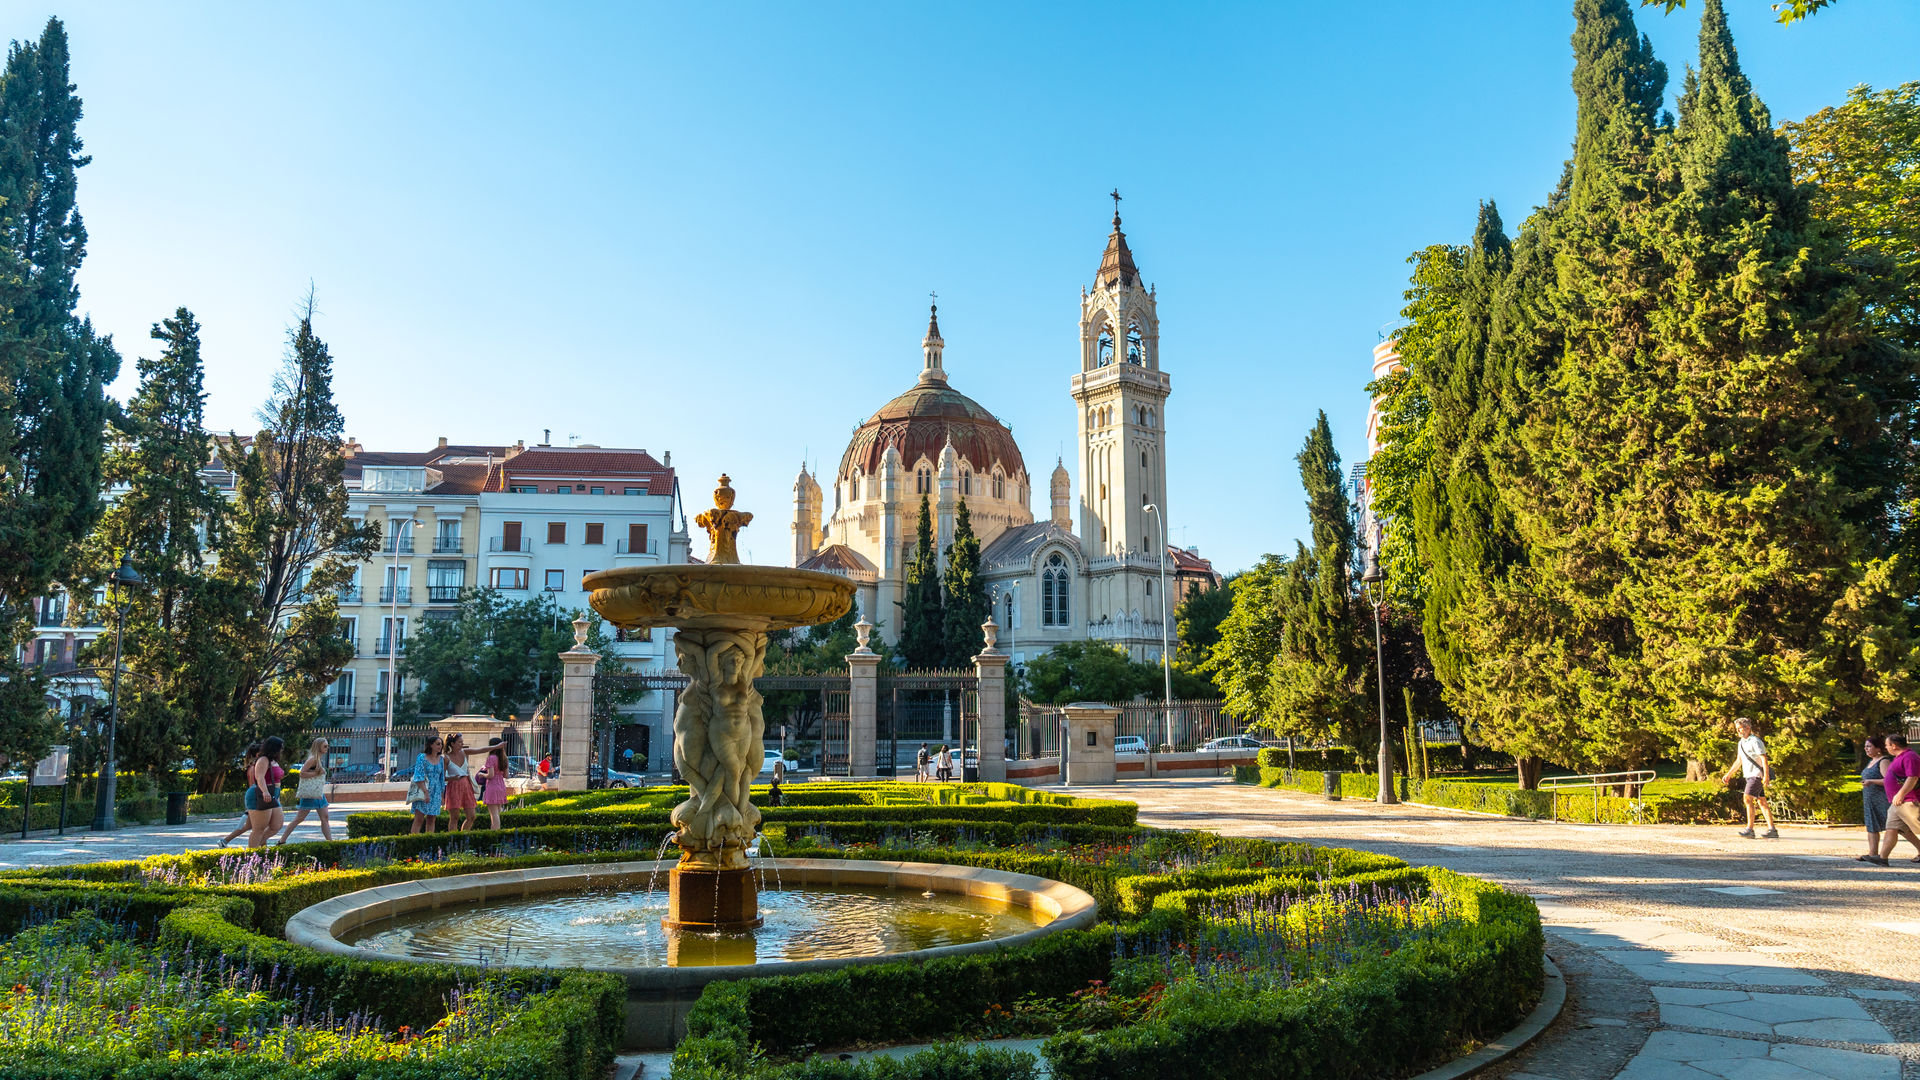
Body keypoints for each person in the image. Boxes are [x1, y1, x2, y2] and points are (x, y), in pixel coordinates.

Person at [1720, 717, 1778, 839]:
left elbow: (1763, 759)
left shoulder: (1755, 741)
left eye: (1740, 728)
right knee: (1761, 802)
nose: (1738, 731)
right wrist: (1729, 774)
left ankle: (1750, 829)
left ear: (1748, 728)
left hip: (1756, 775)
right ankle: (1772, 830)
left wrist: (1766, 775)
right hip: (1748, 775)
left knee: (1747, 799)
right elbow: (1739, 760)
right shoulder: (1741, 743)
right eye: (1737, 729)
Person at [277, 738, 334, 844]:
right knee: (299, 818)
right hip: (310, 794)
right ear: (318, 747)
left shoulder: (317, 758)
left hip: (317, 793)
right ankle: (282, 840)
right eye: (325, 746)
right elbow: (302, 773)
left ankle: (330, 842)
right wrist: (317, 773)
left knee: (325, 817)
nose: (327, 748)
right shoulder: (313, 759)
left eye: (327, 746)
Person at [1880, 733, 1920, 863]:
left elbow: (1913, 777)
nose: (1886, 747)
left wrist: (1901, 793)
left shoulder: (1910, 756)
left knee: (1916, 827)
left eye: (1887, 745)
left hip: (1909, 800)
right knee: (1895, 829)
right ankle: (1882, 858)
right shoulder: (1899, 757)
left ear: (1894, 745)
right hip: (1897, 802)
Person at [217, 741, 265, 848]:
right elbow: (253, 785)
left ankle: (224, 841)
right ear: (257, 754)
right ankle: (262, 847)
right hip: (255, 798)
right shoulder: (254, 768)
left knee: (249, 826)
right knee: (261, 826)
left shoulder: (253, 766)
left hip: (254, 797)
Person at [244, 736, 287, 849]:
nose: (281, 750)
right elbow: (259, 777)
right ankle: (252, 855)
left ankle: (258, 848)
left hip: (273, 795)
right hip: (261, 794)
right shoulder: (263, 760)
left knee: (277, 825)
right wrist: (265, 791)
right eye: (280, 748)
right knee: (258, 829)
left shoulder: (273, 761)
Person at [1858, 735, 1893, 865]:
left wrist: (1871, 781)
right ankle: (1873, 854)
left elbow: (1888, 781)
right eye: (1865, 746)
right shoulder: (1871, 761)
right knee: (1871, 825)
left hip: (1882, 799)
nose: (1866, 749)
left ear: (1878, 748)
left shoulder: (1883, 761)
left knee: (1897, 827)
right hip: (1870, 799)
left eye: (1869, 746)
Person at [407, 735, 447, 835]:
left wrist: (442, 795)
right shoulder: (422, 758)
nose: (440, 746)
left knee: (432, 819)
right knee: (419, 818)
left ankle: (429, 839)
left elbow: (441, 778)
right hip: (423, 790)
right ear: (431, 745)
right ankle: (414, 840)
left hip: (436, 791)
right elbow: (418, 776)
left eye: (441, 744)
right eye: (438, 744)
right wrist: (426, 792)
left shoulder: (441, 759)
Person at [443, 733, 477, 833]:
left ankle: (463, 836)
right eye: (460, 742)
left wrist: (496, 746)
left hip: (466, 786)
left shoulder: (464, 752)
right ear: (452, 744)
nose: (462, 744)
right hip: (454, 786)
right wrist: (452, 778)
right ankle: (454, 840)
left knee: (472, 816)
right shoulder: (446, 758)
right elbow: (442, 777)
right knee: (455, 817)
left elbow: (480, 750)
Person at [476, 739, 510, 830]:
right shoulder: (504, 758)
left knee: (493, 815)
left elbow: (491, 775)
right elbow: (506, 775)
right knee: (497, 813)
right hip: (501, 786)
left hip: (492, 786)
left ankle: (494, 835)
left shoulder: (491, 758)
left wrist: (481, 774)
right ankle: (495, 832)